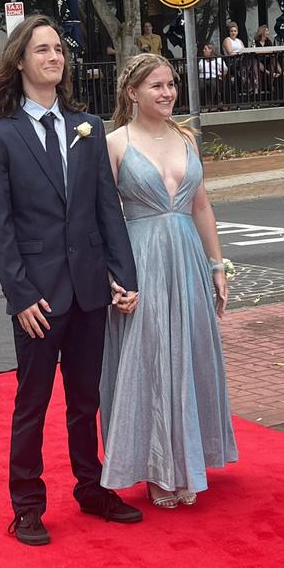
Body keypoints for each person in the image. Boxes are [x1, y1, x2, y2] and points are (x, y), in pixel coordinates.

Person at [0, 14, 142, 546]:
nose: (54, 58)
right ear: (20, 60)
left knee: (85, 399)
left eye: (59, 50)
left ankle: (90, 489)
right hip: (39, 298)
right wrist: (20, 295)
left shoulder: (86, 127)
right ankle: (26, 505)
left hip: (91, 287)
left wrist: (123, 274)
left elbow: (105, 209)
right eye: (42, 50)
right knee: (32, 402)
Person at [100, 53, 238, 508]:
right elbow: (101, 218)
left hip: (188, 261)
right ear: (132, 92)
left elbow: (200, 205)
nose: (167, 93)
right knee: (152, 359)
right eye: (156, 86)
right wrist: (113, 276)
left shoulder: (185, 138)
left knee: (189, 356)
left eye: (171, 84)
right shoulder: (115, 142)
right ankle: (156, 469)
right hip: (141, 262)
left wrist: (217, 265)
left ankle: (187, 463)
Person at [197, 43, 227, 109]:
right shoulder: (201, 60)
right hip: (202, 77)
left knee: (213, 84)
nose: (203, 50)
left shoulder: (218, 59)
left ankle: (209, 104)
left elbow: (225, 70)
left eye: (205, 49)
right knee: (201, 85)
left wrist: (221, 75)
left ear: (210, 50)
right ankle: (203, 103)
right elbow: (198, 70)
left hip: (214, 77)